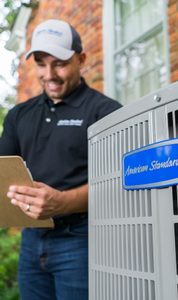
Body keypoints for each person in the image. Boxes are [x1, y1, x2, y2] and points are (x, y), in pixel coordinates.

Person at [0, 19, 122, 300]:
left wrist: (61, 202)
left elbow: (122, 182)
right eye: (41, 63)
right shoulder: (19, 115)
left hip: (82, 239)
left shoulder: (105, 112)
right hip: (31, 241)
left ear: (81, 59)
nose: (49, 74)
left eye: (60, 63)